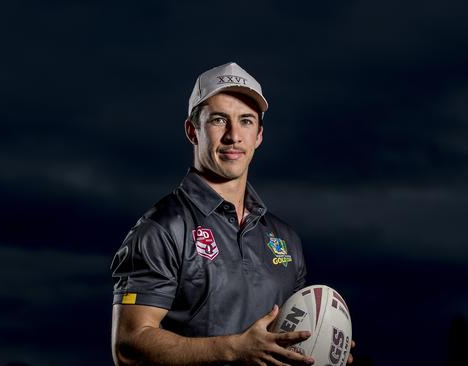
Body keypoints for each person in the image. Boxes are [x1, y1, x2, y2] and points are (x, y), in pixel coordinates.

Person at [110, 62, 353, 365]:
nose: (233, 135)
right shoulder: (161, 229)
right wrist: (234, 349)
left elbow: (287, 336)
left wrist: (320, 344)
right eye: (219, 120)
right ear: (192, 130)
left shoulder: (285, 239)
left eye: (246, 121)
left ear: (259, 136)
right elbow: (129, 346)